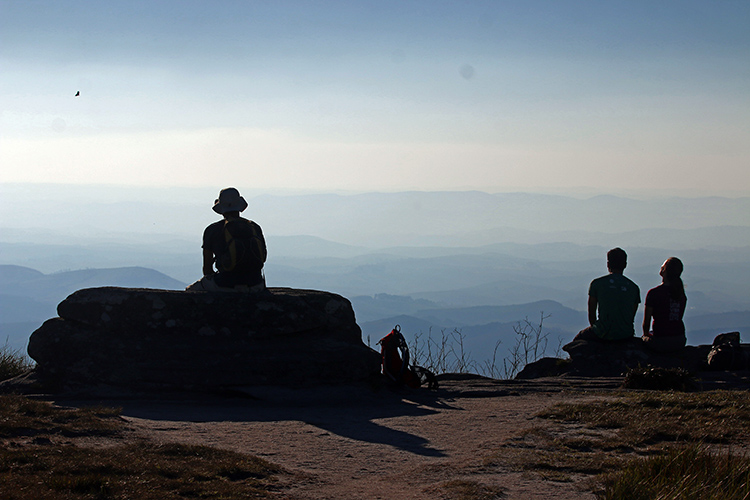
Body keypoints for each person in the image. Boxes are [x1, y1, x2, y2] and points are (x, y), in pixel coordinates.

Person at [186, 187, 267, 292]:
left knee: (191, 291)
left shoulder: (212, 230)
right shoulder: (254, 227)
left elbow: (207, 269)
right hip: (256, 284)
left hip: (224, 284)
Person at [575, 247, 641, 341]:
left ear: (608, 264)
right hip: (626, 333)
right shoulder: (634, 288)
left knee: (578, 340)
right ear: (625, 265)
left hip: (602, 331)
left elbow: (592, 313)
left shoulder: (597, 284)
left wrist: (597, 330)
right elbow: (631, 316)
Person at [642, 257, 687, 352]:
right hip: (680, 339)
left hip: (661, 340)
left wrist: (646, 336)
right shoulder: (680, 294)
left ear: (664, 270)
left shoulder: (654, 293)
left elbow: (646, 323)